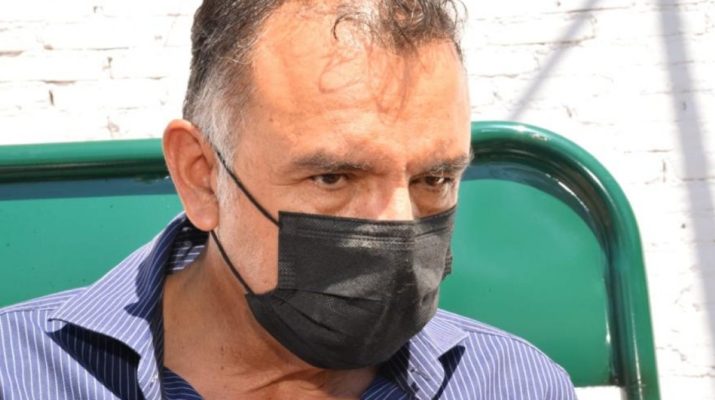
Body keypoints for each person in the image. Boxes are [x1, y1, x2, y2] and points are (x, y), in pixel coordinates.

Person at [0, 0, 576, 399]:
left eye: (435, 178)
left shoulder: (513, 384)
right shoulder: (22, 373)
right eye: (334, 177)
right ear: (201, 178)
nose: (398, 227)